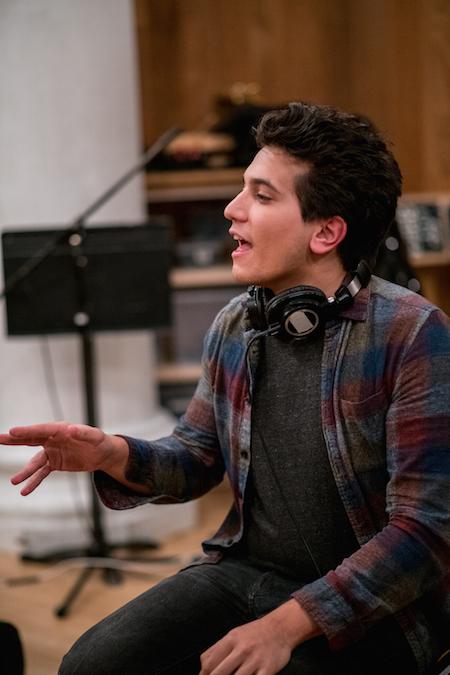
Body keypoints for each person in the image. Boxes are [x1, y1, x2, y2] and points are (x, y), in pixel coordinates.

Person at [2, 102, 450, 675]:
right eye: (244, 190)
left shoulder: (412, 333)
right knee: (90, 665)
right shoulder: (238, 323)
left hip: (380, 612)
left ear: (327, 232)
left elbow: (424, 532)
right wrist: (113, 454)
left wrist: (284, 626)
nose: (232, 210)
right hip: (244, 573)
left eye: (262, 197)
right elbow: (195, 459)